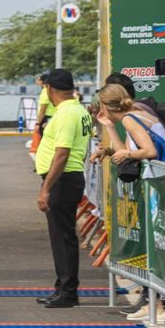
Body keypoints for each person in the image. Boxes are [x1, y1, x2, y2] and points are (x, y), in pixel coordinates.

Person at [33, 69, 93, 308]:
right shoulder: (77, 109)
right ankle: (63, 288)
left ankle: (68, 292)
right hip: (67, 178)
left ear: (49, 89)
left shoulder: (67, 114)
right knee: (61, 235)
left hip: (62, 179)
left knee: (62, 236)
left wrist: (46, 188)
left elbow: (62, 154)